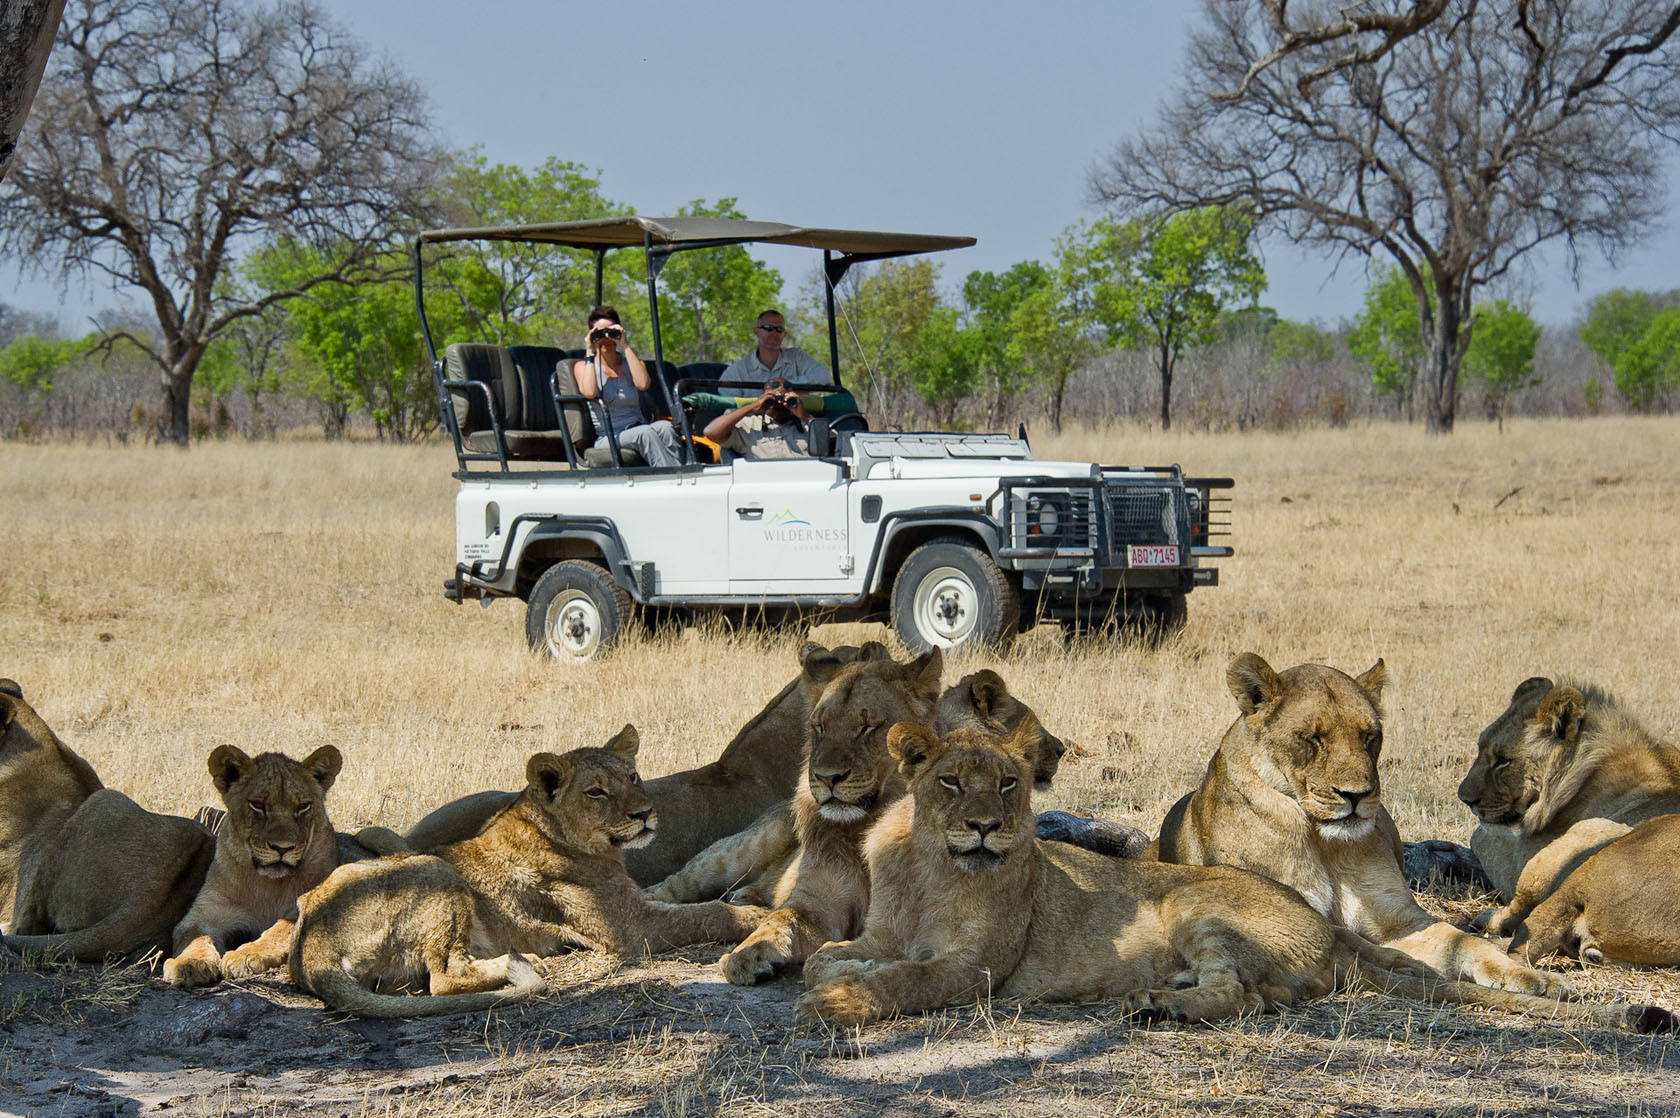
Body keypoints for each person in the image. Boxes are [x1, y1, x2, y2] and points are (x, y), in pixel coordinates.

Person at [570, 305, 681, 467]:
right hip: (608, 436)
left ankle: (681, 474)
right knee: (645, 433)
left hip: (637, 426)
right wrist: (589, 351)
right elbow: (589, 392)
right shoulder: (584, 366)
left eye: (610, 332)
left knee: (666, 427)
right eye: (599, 333)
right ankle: (672, 479)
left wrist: (625, 345)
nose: (605, 338)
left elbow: (643, 384)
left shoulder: (631, 364)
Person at [703, 376, 811, 459]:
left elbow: (827, 440)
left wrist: (805, 416)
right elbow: (711, 432)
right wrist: (752, 407)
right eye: (772, 401)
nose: (780, 405)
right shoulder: (748, 425)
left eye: (785, 400)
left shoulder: (807, 424)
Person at [721, 310, 832, 385]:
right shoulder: (738, 369)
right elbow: (728, 404)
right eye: (768, 328)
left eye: (779, 329)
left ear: (784, 335)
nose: (774, 333)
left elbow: (824, 376)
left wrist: (786, 385)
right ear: (756, 332)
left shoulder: (797, 357)